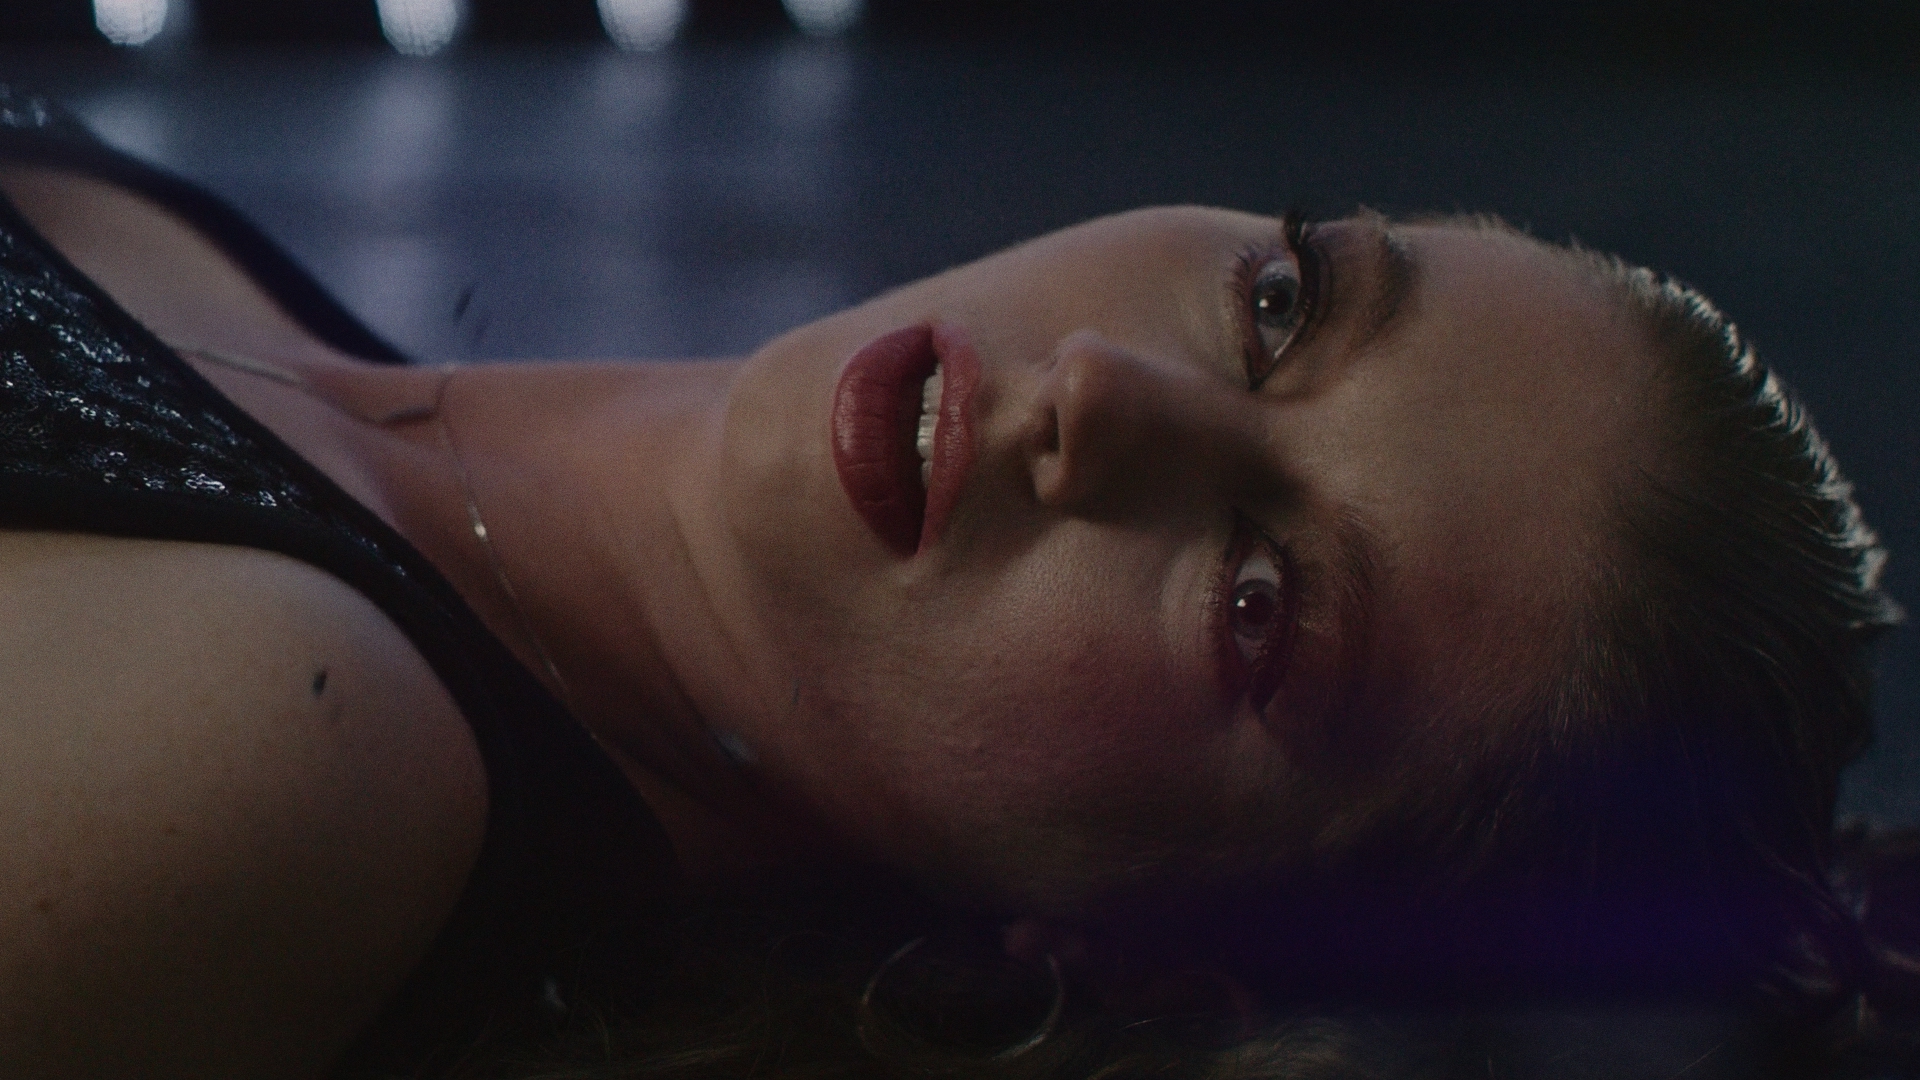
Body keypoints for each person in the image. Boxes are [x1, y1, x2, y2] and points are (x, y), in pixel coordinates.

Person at [0, 84, 1909, 1079]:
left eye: (1260, 606)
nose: (1105, 397)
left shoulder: (278, 755)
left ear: (1149, 953)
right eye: (1282, 306)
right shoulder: (272, 349)